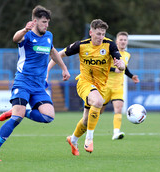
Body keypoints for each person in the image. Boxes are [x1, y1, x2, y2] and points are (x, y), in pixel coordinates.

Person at [0, 5, 70, 162]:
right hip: (23, 82)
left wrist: (64, 68)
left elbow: (53, 52)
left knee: (48, 117)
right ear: (35, 21)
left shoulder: (49, 35)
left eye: (48, 22)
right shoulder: (27, 36)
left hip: (39, 85)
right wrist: (24, 30)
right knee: (17, 119)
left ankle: (19, 111)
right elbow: (15, 38)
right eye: (44, 22)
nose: (46, 25)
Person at [47, 19, 125, 156]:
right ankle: (89, 138)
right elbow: (58, 55)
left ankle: (73, 139)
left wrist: (121, 65)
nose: (101, 37)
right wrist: (46, 71)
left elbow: (121, 63)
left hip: (100, 87)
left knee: (85, 120)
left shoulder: (110, 45)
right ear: (91, 32)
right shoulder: (81, 45)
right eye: (98, 34)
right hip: (84, 82)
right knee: (99, 102)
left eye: (103, 34)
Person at [100, 31, 140, 140]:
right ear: (116, 41)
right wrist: (114, 69)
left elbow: (125, 68)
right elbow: (102, 66)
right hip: (105, 86)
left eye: (125, 40)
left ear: (127, 42)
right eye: (121, 39)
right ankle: (88, 129)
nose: (123, 42)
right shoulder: (110, 52)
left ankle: (116, 133)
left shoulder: (127, 55)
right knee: (98, 111)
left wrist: (131, 76)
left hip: (118, 87)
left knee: (118, 108)